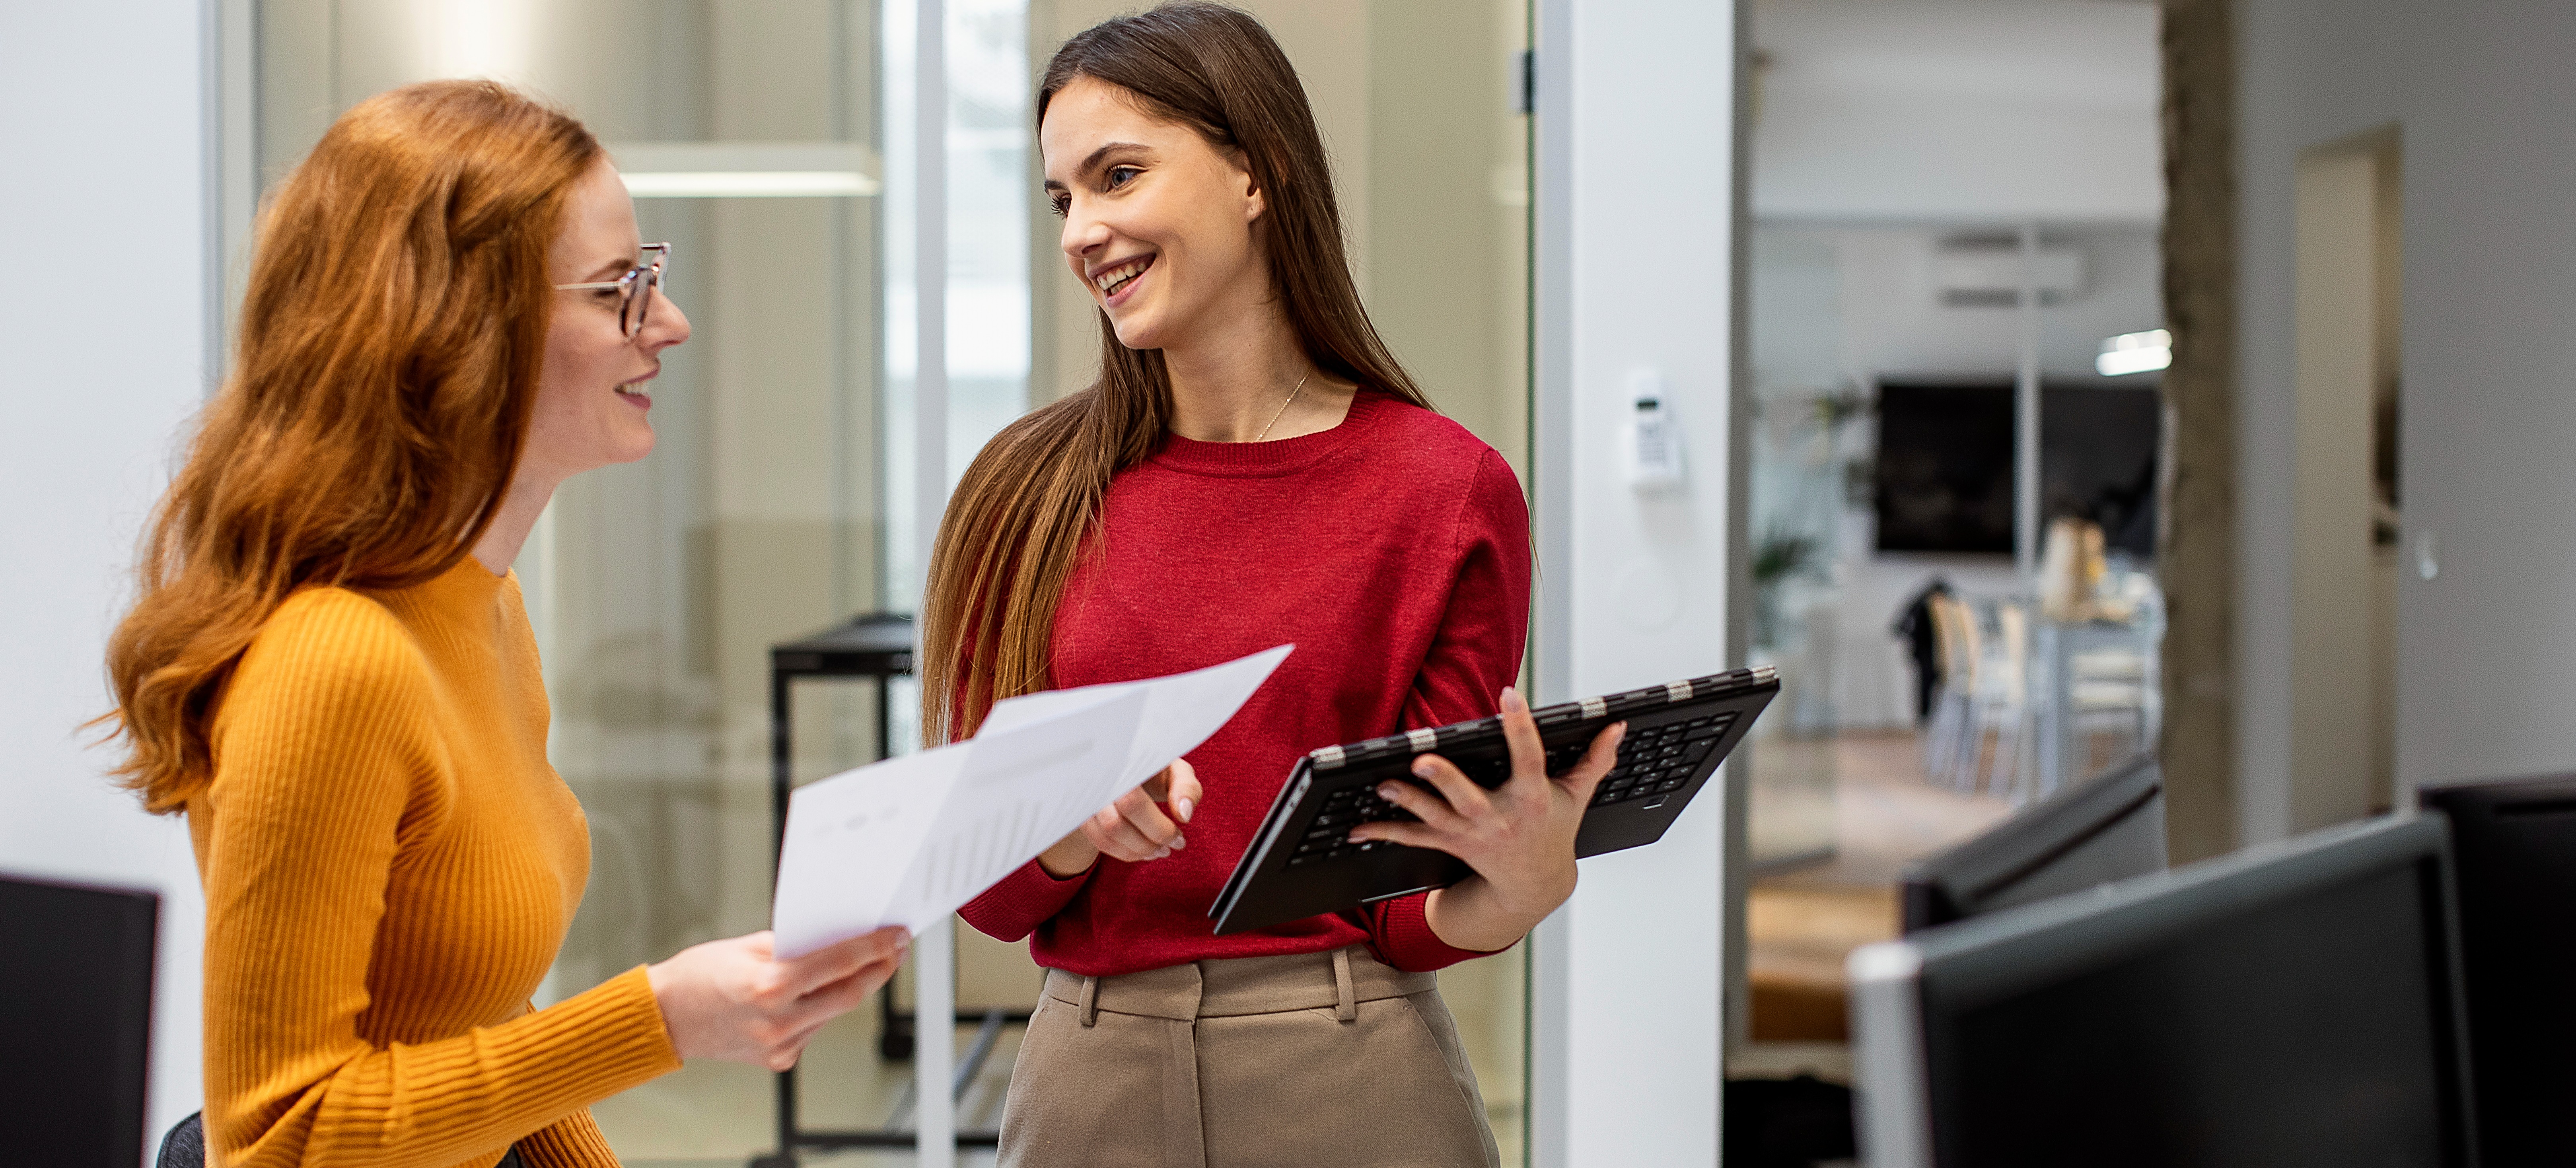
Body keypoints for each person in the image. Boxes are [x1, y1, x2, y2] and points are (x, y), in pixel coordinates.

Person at [100, 80, 905, 1168]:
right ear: (456, 330)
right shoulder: (333, 663)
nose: (667, 323)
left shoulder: (485, 609)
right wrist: (658, 1019)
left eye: (652, 278)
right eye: (622, 288)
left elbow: (472, 1021)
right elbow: (281, 1140)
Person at [928, 6, 1623, 1165]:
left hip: (1357, 1076)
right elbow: (990, 898)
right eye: (1063, 199)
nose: (1082, 231)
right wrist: (1073, 830)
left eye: (1118, 175)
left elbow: (1408, 904)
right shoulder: (1023, 493)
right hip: (1090, 1076)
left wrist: (1522, 885)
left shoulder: (1445, 489)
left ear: (1259, 172)